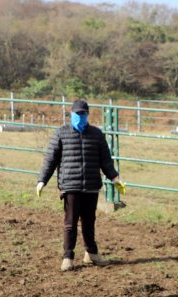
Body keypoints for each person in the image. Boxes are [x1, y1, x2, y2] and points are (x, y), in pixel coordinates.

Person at [36, 99, 125, 272]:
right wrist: (42, 181)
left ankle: (91, 253)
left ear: (88, 114)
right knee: (70, 223)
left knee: (89, 221)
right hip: (70, 185)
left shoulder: (97, 135)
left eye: (83, 113)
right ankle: (68, 256)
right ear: (71, 114)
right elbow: (50, 160)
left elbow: (105, 161)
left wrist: (114, 178)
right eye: (78, 113)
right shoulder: (61, 133)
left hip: (91, 185)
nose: (81, 116)